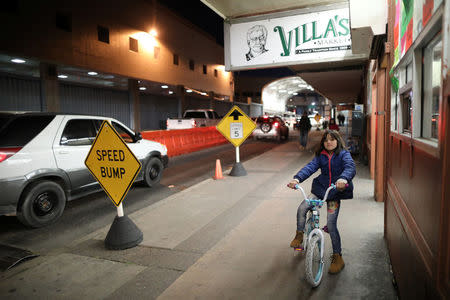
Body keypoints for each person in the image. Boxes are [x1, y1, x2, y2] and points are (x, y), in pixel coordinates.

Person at [287, 129, 356, 274]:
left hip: (334, 192)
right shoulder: (321, 156)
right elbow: (310, 167)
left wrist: (343, 179)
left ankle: (338, 257)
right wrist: (297, 179)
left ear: (337, 141)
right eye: (325, 140)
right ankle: (299, 234)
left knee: (331, 225)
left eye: (332, 139)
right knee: (302, 208)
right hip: (320, 190)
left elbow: (350, 167)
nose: (328, 142)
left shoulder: (344, 154)